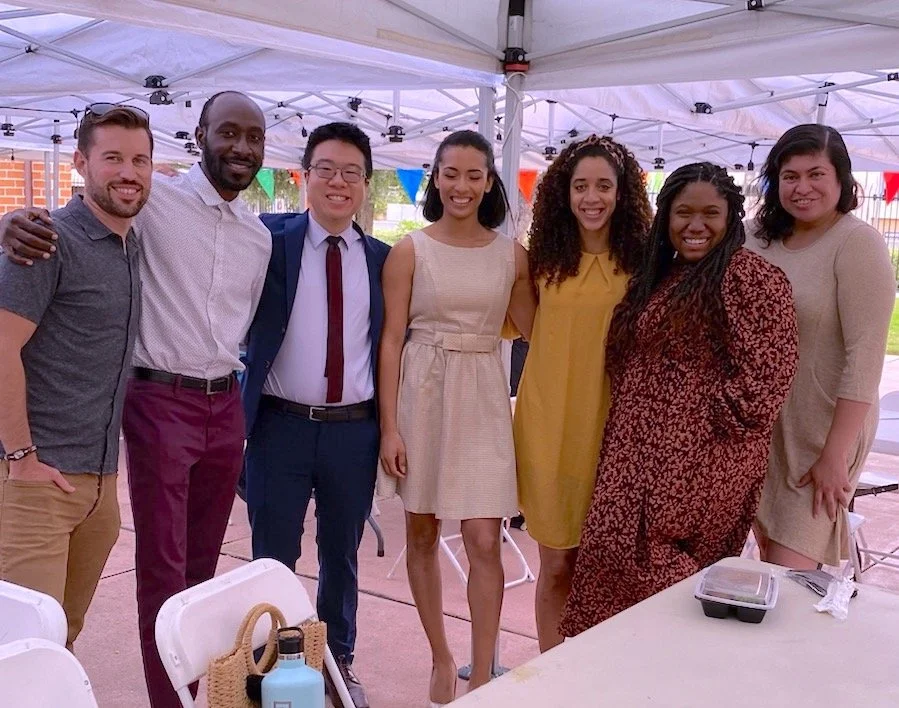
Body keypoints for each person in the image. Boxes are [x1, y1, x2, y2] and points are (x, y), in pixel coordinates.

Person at [0, 91, 271, 708]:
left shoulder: (258, 237)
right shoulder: (152, 202)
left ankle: (195, 694)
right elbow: (65, 223)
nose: (241, 147)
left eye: (254, 137)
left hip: (216, 410)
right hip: (155, 403)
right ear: (199, 136)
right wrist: (7, 220)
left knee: (197, 576)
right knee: (158, 573)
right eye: (227, 132)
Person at [560, 163, 799, 635]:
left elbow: (767, 377)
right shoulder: (661, 275)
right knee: (610, 569)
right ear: (666, 216)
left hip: (697, 467)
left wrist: (691, 430)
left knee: (668, 582)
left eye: (710, 213)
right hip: (633, 457)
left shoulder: (750, 278)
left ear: (731, 217)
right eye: (683, 212)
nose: (695, 225)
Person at [378, 130, 534, 705]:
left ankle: (484, 671)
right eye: (451, 174)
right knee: (421, 531)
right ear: (436, 178)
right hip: (421, 392)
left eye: (474, 175)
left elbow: (537, 331)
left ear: (490, 182)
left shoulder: (511, 255)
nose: (461, 186)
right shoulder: (409, 251)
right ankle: (441, 658)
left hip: (484, 395)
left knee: (484, 538)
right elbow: (391, 340)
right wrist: (389, 427)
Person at [241, 122, 389, 708]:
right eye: (325, 169)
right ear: (305, 176)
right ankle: (270, 662)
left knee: (341, 556)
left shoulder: (383, 260)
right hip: (280, 426)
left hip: (354, 430)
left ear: (366, 183)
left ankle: (336, 661)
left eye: (351, 172)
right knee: (273, 556)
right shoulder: (266, 238)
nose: (337, 182)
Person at [0, 105, 151, 650]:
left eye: (139, 160)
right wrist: (21, 459)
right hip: (35, 484)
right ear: (81, 163)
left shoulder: (132, 243)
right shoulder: (46, 241)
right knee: (22, 651)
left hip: (99, 488)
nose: (128, 172)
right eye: (113, 158)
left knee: (60, 643)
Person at [513, 135, 651, 652]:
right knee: (555, 564)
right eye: (580, 186)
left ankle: (598, 670)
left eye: (604, 186)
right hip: (550, 429)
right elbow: (528, 330)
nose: (591, 198)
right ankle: (553, 672)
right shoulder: (541, 262)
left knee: (609, 569)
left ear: (623, 192)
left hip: (618, 433)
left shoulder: (645, 264)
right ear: (563, 193)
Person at [745, 124, 896, 570]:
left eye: (816, 174)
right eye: (790, 176)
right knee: (766, 562)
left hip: (822, 431)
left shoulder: (857, 243)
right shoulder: (754, 237)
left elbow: (865, 358)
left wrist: (835, 455)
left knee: (791, 571)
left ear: (841, 179)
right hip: (761, 427)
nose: (802, 187)